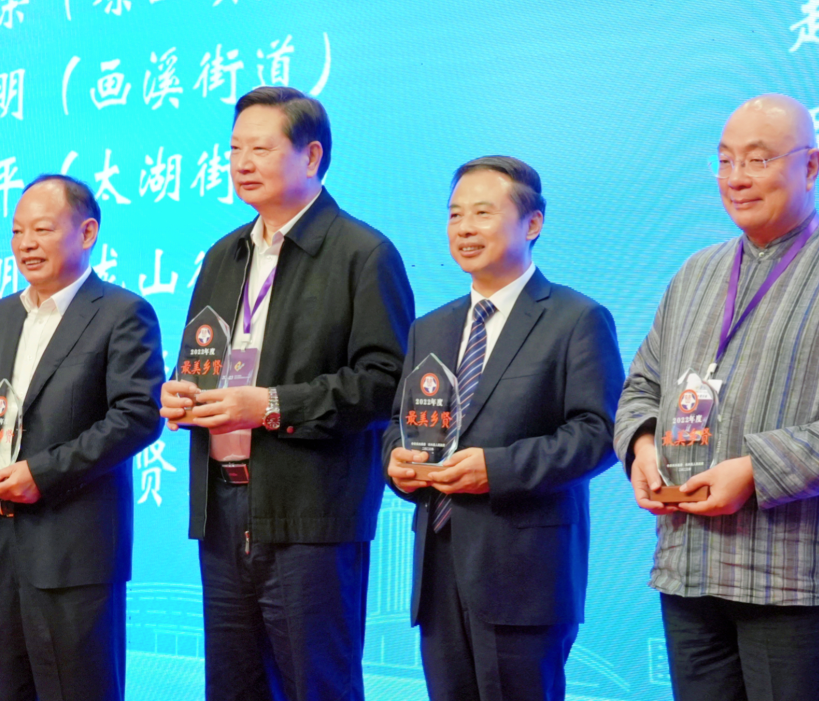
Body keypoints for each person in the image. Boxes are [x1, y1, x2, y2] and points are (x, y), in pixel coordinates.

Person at [615, 94, 819, 700]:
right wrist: (642, 448)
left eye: (757, 159)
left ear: (811, 166)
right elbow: (642, 384)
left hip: (794, 580)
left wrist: (754, 469)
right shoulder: (695, 273)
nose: (736, 178)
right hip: (688, 568)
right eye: (724, 161)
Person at [159, 86, 414, 700]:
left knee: (316, 686)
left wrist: (271, 406)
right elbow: (204, 357)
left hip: (311, 514)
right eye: (234, 150)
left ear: (311, 156)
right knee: (233, 686)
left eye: (261, 149)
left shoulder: (362, 253)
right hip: (223, 509)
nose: (242, 163)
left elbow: (385, 383)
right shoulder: (224, 255)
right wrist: (182, 396)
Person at [383, 156, 623, 701]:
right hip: (439, 570)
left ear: (532, 223)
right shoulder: (430, 328)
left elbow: (598, 433)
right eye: (455, 215)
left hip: (526, 577)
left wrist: (497, 469)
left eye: (483, 213)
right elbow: (399, 425)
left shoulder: (575, 319)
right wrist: (395, 461)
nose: (464, 228)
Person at [0, 175, 165, 701]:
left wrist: (42, 474)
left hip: (73, 553)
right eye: (17, 231)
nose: (26, 244)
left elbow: (138, 415)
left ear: (88, 232)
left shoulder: (121, 313)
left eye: (42, 230)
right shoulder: (3, 315)